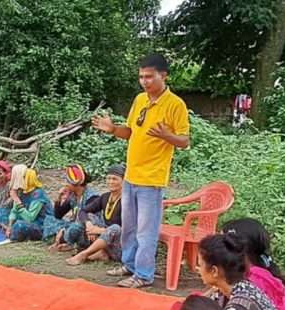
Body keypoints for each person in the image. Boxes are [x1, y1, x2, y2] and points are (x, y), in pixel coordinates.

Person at [92, 53, 190, 289]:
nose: (144, 81)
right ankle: (129, 265)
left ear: (163, 76)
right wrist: (112, 129)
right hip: (131, 176)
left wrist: (167, 135)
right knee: (129, 228)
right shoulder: (140, 100)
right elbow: (130, 132)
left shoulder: (175, 104)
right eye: (141, 77)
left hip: (152, 179)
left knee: (146, 231)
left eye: (149, 77)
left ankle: (144, 275)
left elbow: (184, 141)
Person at [66, 165, 127, 266]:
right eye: (108, 178)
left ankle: (84, 254)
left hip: (121, 246)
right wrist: (89, 225)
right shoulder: (105, 197)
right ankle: (101, 253)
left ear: (124, 181)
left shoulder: (128, 200)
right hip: (106, 240)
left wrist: (100, 230)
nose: (110, 182)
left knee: (115, 228)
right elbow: (83, 211)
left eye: (114, 179)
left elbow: (128, 229)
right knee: (90, 216)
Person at [48, 164, 97, 250]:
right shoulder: (73, 196)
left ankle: (68, 241)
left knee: (75, 227)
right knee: (50, 220)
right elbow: (58, 215)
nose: (65, 185)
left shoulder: (92, 197)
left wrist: (64, 229)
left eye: (67, 182)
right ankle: (64, 238)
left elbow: (91, 220)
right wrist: (59, 198)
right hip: (73, 225)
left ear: (75, 183)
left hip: (86, 229)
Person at [4, 164, 51, 242]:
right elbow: (14, 211)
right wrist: (9, 226)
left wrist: (17, 200)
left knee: (19, 225)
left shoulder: (38, 194)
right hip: (24, 219)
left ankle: (15, 233)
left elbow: (30, 218)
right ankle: (10, 230)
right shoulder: (21, 191)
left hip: (41, 224)